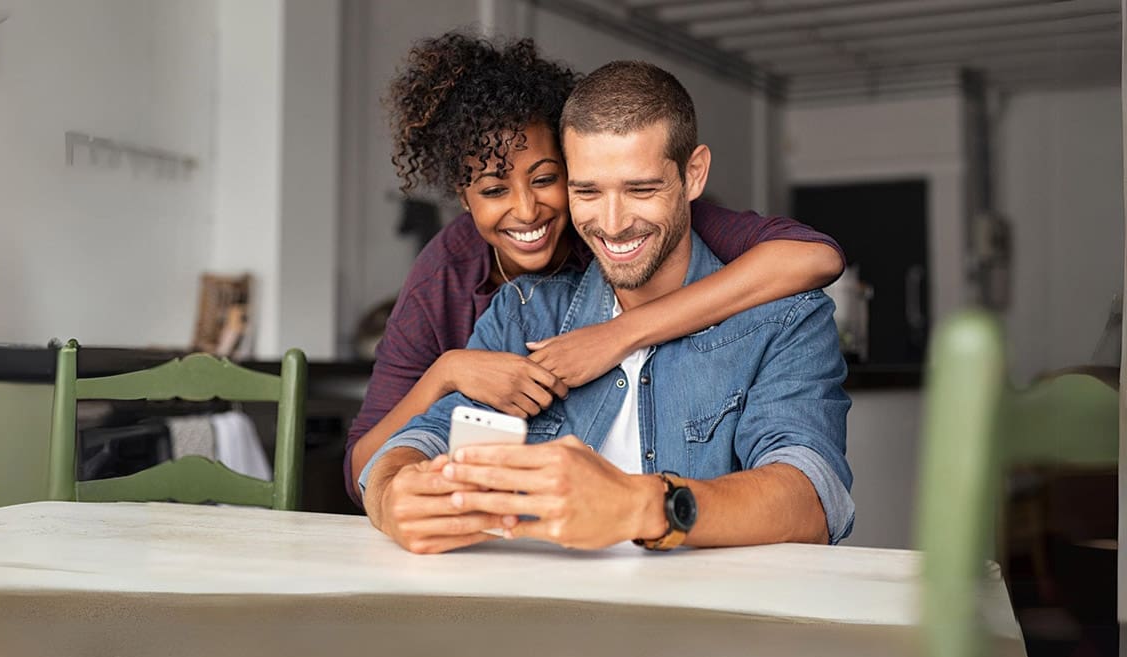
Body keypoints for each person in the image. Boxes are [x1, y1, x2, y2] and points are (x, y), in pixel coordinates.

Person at [359, 60, 853, 555]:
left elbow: (811, 499)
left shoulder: (785, 319)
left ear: (693, 174)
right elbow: (415, 441)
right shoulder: (523, 312)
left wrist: (641, 505)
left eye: (641, 189)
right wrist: (391, 497)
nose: (613, 224)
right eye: (587, 191)